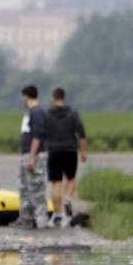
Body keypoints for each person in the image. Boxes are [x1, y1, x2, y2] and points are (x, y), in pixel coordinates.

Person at [46, 87, 88, 228]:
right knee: (70, 178)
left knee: (56, 183)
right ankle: (68, 199)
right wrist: (83, 152)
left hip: (54, 151)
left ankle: (57, 216)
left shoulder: (48, 114)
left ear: (53, 98)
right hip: (70, 150)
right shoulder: (73, 113)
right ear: (64, 98)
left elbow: (42, 132)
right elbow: (81, 134)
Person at [14, 85, 49, 229]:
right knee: (25, 189)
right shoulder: (30, 112)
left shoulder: (37, 112)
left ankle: (41, 222)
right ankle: (26, 219)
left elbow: (37, 136)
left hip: (34, 156)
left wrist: (32, 157)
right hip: (27, 154)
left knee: (37, 190)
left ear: (26, 96)